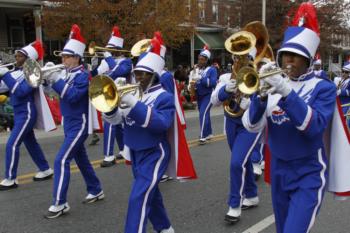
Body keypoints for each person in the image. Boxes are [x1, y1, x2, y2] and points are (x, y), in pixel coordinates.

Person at [242, 5, 336, 232]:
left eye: (296, 56)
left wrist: (285, 91)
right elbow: (252, 125)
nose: (288, 61)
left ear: (308, 59)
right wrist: (261, 97)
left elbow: (313, 127)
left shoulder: (323, 87)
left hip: (309, 171)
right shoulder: (274, 82)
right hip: (279, 169)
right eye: (286, 55)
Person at [104, 37, 175, 233]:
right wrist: (110, 105)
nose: (139, 77)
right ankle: (165, 227)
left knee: (138, 198)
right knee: (150, 195)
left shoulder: (164, 97)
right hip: (135, 151)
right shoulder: (133, 93)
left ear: (154, 75)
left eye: (144, 74)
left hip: (154, 152)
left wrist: (133, 103)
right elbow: (117, 120)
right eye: (137, 73)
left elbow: (161, 124)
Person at [43, 24, 104, 219]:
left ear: (77, 57)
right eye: (62, 56)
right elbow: (51, 94)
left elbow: (73, 96)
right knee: (82, 160)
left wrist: (56, 79)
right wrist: (46, 80)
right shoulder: (65, 73)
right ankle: (96, 189)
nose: (62, 59)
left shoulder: (83, 75)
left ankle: (59, 203)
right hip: (68, 123)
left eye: (66, 56)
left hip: (80, 123)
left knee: (61, 160)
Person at [211, 51, 260, 224]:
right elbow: (214, 100)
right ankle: (252, 195)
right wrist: (225, 90)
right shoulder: (225, 77)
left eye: (245, 56)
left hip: (250, 125)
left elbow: (266, 103)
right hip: (231, 123)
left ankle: (234, 206)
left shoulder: (258, 77)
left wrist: (252, 105)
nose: (240, 60)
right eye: (237, 56)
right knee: (243, 161)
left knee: (236, 162)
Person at [0, 41, 54, 190]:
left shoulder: (33, 73)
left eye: (20, 56)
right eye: (16, 55)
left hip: (27, 112)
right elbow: (3, 87)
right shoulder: (14, 72)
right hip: (19, 113)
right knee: (30, 143)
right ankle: (45, 169)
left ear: (28, 59)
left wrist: (5, 75)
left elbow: (22, 91)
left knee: (12, 144)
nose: (16, 58)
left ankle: (10, 178)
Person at [91, 26, 132, 167]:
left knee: (110, 123)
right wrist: (95, 64)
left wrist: (108, 59)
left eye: (110, 49)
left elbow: (116, 72)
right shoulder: (107, 61)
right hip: (108, 94)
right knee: (117, 125)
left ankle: (108, 155)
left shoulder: (127, 62)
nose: (107, 51)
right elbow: (96, 76)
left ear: (118, 49)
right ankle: (122, 149)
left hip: (122, 96)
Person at [189, 45, 217, 144]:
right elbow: (193, 81)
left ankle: (203, 135)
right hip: (199, 95)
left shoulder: (212, 69)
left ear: (206, 60)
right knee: (205, 114)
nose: (200, 61)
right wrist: (192, 84)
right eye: (199, 59)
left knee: (203, 114)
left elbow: (213, 83)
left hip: (208, 95)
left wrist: (202, 78)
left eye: (202, 60)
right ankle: (209, 133)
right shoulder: (196, 69)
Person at [335, 61, 350, 128]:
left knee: (344, 124)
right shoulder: (342, 80)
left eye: (346, 72)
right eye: (343, 71)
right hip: (340, 104)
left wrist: (340, 91)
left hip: (347, 105)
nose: (343, 73)